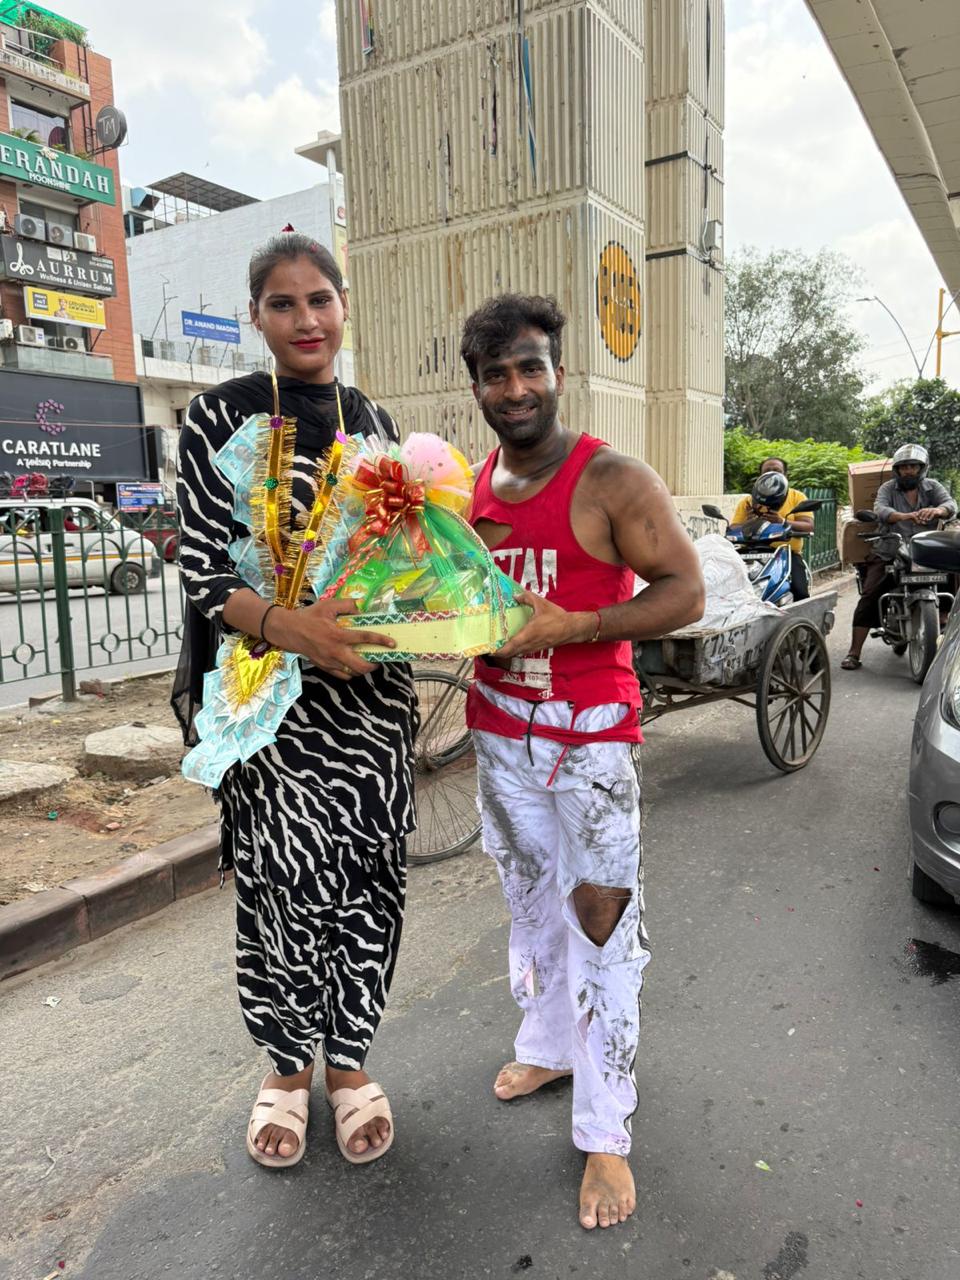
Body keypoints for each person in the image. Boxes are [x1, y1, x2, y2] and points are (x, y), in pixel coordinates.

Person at [460, 295, 705, 1231]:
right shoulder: (469, 493)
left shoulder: (612, 479)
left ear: (558, 373)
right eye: (495, 374)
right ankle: (550, 1045)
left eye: (530, 368)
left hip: (591, 739)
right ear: (478, 388)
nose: (515, 388)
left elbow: (684, 591)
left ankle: (606, 1130)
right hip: (498, 732)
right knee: (530, 905)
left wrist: (580, 625)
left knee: (602, 924)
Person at [173, 232, 418, 1168]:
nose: (306, 320)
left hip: (371, 699)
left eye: (320, 299)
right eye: (283, 304)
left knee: (368, 879)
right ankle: (286, 1067)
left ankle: (348, 1062)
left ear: (344, 305)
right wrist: (294, 628)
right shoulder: (217, 415)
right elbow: (203, 571)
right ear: (257, 317)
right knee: (281, 886)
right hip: (271, 702)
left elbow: (399, 557)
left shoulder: (375, 423)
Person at [842, 443, 957, 670]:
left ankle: (946, 616)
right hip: (891, 548)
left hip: (927, 548)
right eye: (904, 467)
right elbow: (880, 509)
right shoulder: (887, 488)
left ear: (922, 468)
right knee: (870, 593)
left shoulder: (933, 487)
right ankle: (854, 652)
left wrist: (938, 510)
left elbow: (950, 504)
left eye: (913, 466)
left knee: (953, 571)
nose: (908, 471)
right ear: (897, 469)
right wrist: (905, 516)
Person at [729, 457, 813, 601]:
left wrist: (782, 521)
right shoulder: (748, 501)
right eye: (767, 471)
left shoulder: (797, 497)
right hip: (749, 555)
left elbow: (808, 525)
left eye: (777, 471)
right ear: (760, 476)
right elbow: (733, 528)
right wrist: (749, 522)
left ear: (785, 475)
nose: (772, 474)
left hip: (785, 554)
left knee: (800, 591)